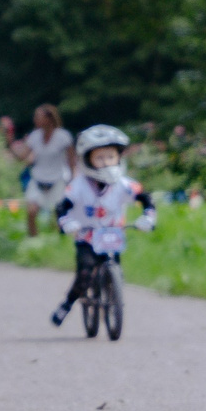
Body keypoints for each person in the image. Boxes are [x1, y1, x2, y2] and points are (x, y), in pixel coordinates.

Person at [51, 125, 157, 326]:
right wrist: (66, 222)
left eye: (110, 157)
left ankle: (113, 295)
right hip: (87, 236)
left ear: (119, 157)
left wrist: (148, 217)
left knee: (117, 270)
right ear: (88, 159)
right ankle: (67, 303)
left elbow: (146, 199)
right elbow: (62, 207)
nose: (106, 162)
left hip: (113, 236)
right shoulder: (78, 186)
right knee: (85, 273)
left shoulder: (124, 184)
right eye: (99, 158)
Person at [12, 106, 74, 238]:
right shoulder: (34, 136)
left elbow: (71, 160)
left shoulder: (63, 136)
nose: (35, 120)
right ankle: (33, 240)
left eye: (38, 117)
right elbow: (21, 157)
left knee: (59, 215)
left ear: (49, 118)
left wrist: (73, 179)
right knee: (31, 211)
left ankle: (61, 239)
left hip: (57, 179)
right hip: (38, 179)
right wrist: (9, 140)